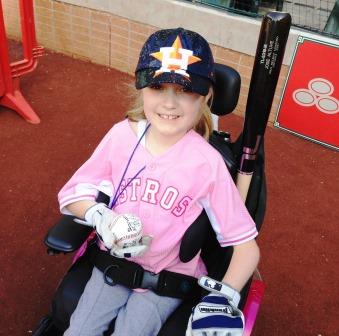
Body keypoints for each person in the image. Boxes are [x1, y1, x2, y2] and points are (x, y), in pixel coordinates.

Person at [58, 27, 260, 336]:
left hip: (165, 282)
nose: (169, 104)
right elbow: (73, 193)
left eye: (185, 91)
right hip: (113, 266)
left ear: (206, 96)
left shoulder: (208, 164)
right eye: (158, 87)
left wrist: (224, 297)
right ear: (141, 88)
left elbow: (247, 249)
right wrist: (100, 215)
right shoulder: (121, 136)